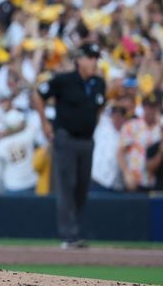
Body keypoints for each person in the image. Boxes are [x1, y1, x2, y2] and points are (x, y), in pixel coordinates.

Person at [32, 42, 106, 249]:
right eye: (90, 58)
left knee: (82, 188)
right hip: (66, 139)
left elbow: (99, 107)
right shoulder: (63, 80)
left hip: (87, 141)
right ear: (79, 59)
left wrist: (91, 124)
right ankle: (69, 235)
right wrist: (45, 123)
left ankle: (73, 229)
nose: (94, 62)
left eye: (96, 59)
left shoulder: (99, 83)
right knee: (67, 186)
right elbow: (38, 94)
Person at [117, 91, 162, 192]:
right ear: (143, 107)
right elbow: (120, 152)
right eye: (148, 106)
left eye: (154, 107)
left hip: (156, 182)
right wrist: (126, 173)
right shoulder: (132, 126)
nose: (151, 110)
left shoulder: (160, 129)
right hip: (135, 180)